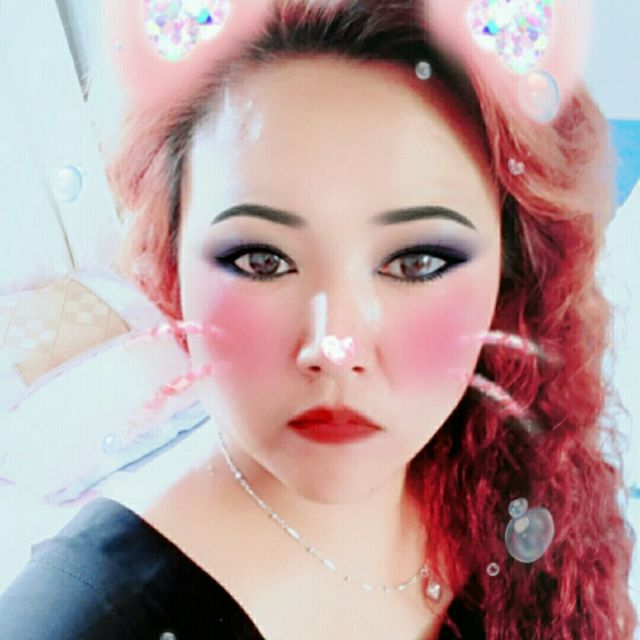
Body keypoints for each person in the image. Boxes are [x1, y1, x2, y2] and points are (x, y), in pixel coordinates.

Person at [0, 1, 636, 638]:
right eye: (261, 260)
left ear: (512, 266)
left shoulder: (507, 459)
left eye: (415, 261)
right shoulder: (79, 620)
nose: (335, 346)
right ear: (173, 259)